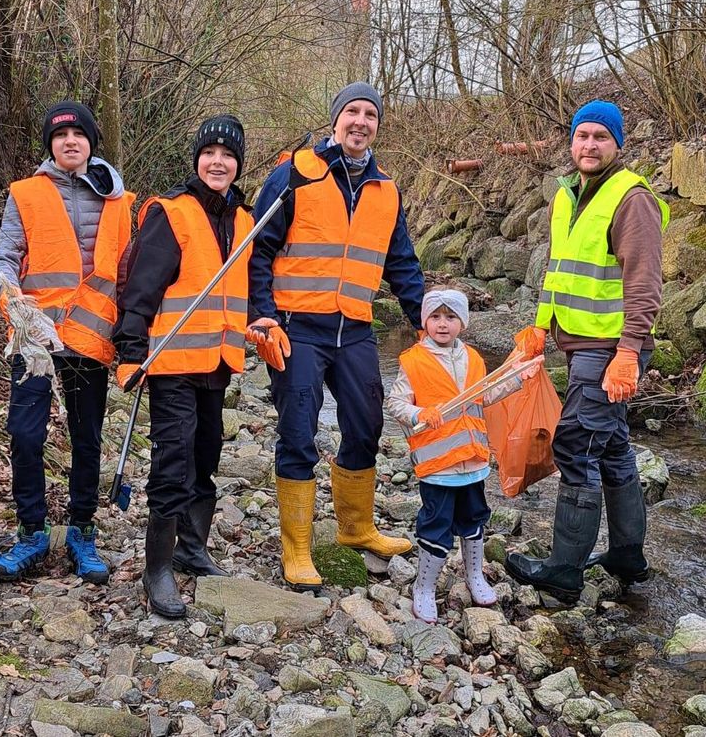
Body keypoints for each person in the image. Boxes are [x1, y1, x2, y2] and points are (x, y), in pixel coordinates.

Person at [247, 82, 425, 591]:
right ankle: (298, 550)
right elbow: (257, 252)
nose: (361, 121)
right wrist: (264, 315)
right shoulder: (295, 175)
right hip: (296, 328)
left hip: (355, 331)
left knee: (367, 424)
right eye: (352, 112)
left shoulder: (385, 190)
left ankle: (355, 528)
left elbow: (403, 264)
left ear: (377, 125)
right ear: (335, 120)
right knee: (299, 433)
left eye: (370, 114)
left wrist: (425, 321)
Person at [505, 100, 669, 602]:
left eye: (601, 136)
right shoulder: (567, 196)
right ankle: (626, 555)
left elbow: (644, 284)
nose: (590, 145)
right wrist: (538, 327)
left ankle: (564, 570)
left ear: (618, 144)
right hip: (579, 347)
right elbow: (556, 272)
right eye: (582, 136)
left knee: (575, 446)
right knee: (613, 449)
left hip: (610, 349)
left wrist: (629, 351)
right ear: (571, 142)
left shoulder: (630, 198)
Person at [0, 101, 135, 584]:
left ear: (92, 142)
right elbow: (4, 257)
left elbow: (132, 274)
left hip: (91, 337)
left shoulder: (119, 202)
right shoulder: (25, 194)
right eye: (60, 134)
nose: (70, 141)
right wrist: (9, 294)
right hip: (34, 339)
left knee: (87, 438)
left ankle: (81, 531)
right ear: (50, 144)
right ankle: (32, 532)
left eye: (79, 134)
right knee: (26, 435)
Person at [114, 115, 252, 619]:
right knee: (173, 460)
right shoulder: (171, 213)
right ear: (197, 158)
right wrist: (131, 351)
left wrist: (262, 323)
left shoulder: (244, 218)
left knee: (206, 451)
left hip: (217, 362)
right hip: (171, 361)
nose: (219, 162)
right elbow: (141, 287)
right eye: (210, 153)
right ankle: (157, 568)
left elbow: (246, 288)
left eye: (229, 155)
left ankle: (192, 547)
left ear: (239, 164)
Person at [387, 289, 534, 622]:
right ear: (424, 322)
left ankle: (475, 575)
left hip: (474, 462)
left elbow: (485, 395)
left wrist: (516, 379)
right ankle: (424, 588)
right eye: (435, 317)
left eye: (451, 317)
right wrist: (421, 413)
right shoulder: (413, 361)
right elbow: (396, 403)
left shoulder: (473, 358)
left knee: (473, 520)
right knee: (436, 524)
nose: (443, 324)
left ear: (463, 323)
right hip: (438, 466)